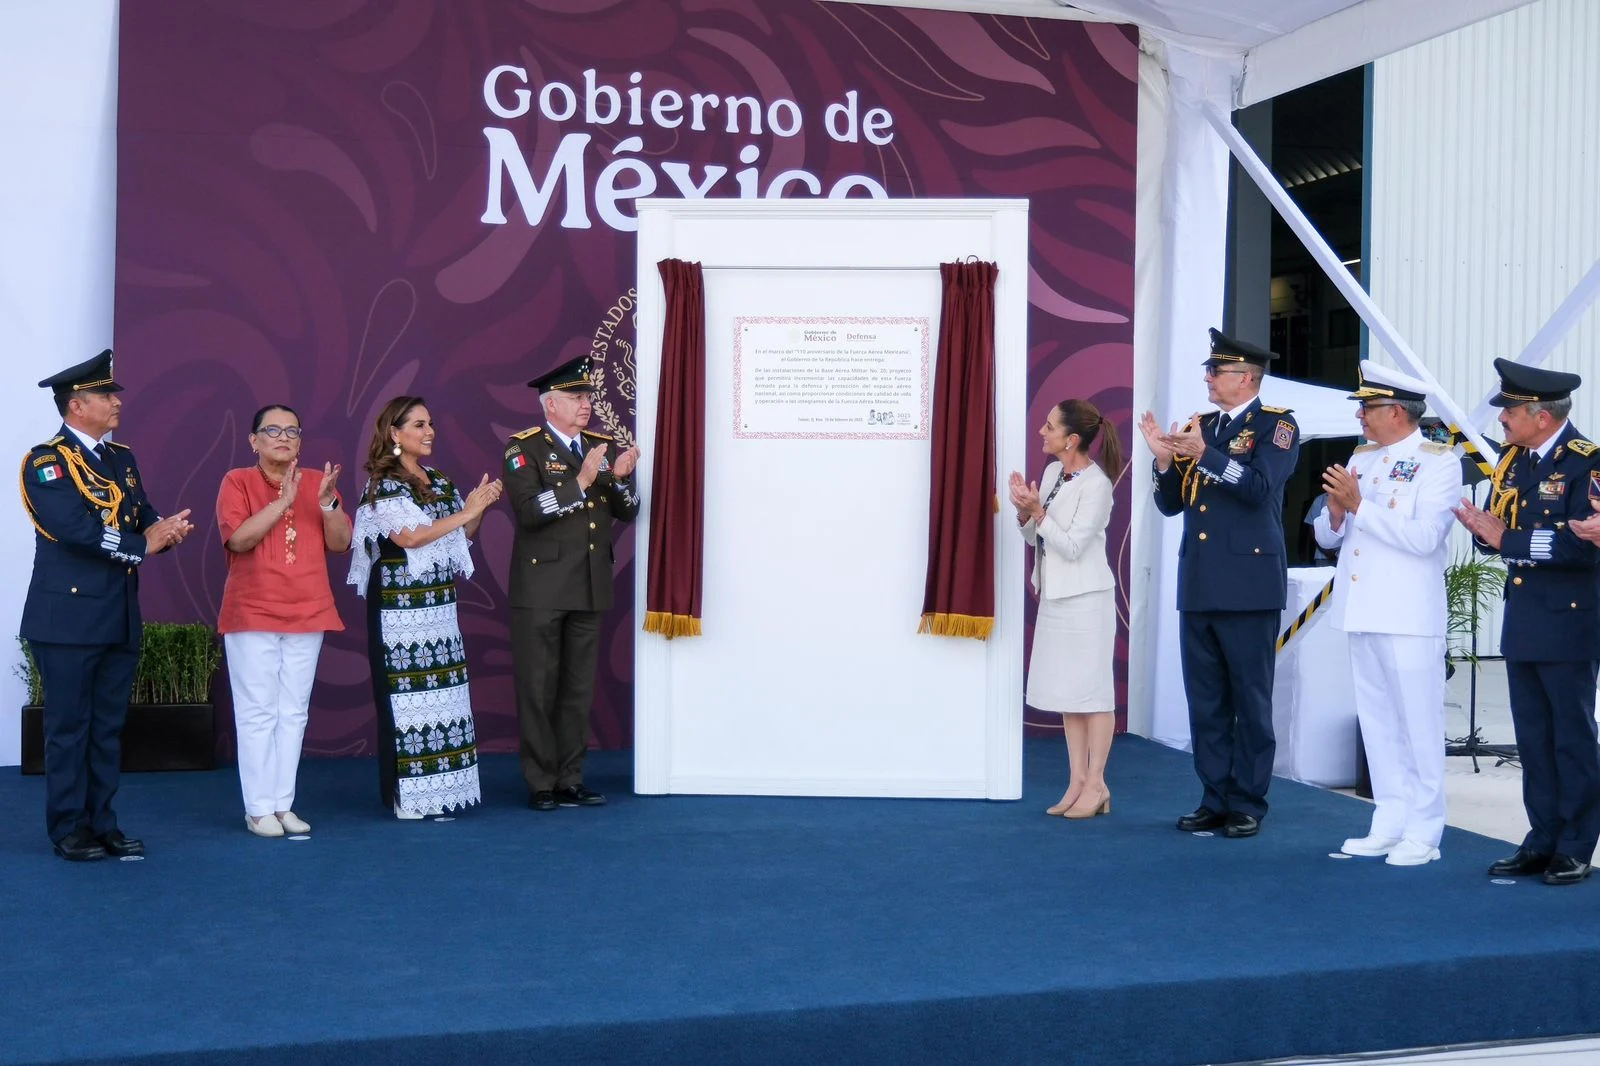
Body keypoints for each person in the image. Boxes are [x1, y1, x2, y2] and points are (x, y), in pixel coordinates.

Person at [19, 349, 194, 861]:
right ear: (76, 406)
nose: (116, 404)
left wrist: (166, 529)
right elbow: (73, 530)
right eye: (104, 396)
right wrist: (144, 545)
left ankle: (103, 822)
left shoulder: (121, 459)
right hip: (67, 619)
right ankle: (68, 828)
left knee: (108, 727)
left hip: (117, 615)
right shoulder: (45, 462)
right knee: (69, 727)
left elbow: (140, 512)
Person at [1138, 328, 1300, 839]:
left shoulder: (1277, 427)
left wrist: (1205, 454)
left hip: (1249, 583)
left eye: (1217, 371)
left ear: (1247, 378)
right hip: (1202, 580)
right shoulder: (1200, 425)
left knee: (1250, 699)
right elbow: (1172, 504)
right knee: (1206, 699)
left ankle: (1248, 800)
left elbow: (1257, 488)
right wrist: (1165, 460)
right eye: (1208, 370)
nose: (1208, 378)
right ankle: (1213, 796)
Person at [1454, 359, 1600, 885]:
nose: (1502, 419)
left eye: (1510, 410)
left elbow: (1581, 547)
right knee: (1533, 739)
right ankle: (1542, 836)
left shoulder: (1588, 464)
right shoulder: (1513, 463)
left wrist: (1505, 540)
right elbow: (1500, 527)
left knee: (1572, 738)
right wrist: (1482, 531)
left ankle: (1576, 844)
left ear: (1541, 415)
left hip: (1569, 623)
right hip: (1525, 620)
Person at [1314, 363, 1461, 866]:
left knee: (1417, 724)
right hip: (1363, 609)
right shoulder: (1364, 457)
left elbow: (1424, 540)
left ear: (1396, 411)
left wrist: (1359, 507)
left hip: (1407, 613)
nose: (1360, 415)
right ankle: (1389, 819)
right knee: (1378, 725)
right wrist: (1335, 516)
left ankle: (1424, 829)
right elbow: (1331, 537)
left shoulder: (1438, 462)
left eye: (1368, 407)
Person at [347, 396, 502, 820]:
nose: (429, 431)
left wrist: (478, 509)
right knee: (405, 700)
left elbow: (459, 536)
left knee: (442, 698)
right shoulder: (382, 484)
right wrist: (465, 513)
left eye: (430, 423)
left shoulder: (440, 480)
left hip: (438, 606)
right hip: (399, 611)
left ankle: (438, 794)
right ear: (394, 434)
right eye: (418, 424)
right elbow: (410, 538)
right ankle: (406, 800)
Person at [503, 355, 640, 812]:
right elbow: (528, 510)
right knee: (539, 687)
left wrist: (618, 480)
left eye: (587, 397)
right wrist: (579, 483)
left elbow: (629, 510)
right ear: (550, 405)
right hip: (541, 587)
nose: (587, 405)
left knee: (578, 688)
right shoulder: (525, 448)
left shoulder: (599, 446)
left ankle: (570, 777)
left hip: (589, 583)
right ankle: (540, 781)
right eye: (576, 398)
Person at [216, 404, 352, 838]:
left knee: (293, 712)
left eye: (292, 431)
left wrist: (328, 503)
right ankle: (258, 809)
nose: (283, 437)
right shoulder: (237, 480)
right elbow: (238, 540)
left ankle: (283, 804)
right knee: (258, 713)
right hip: (252, 611)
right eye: (272, 430)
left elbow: (341, 542)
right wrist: (284, 502)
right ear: (253, 440)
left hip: (308, 609)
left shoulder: (317, 482)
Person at [1009, 399, 1125, 820]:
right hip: (1057, 596)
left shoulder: (1097, 485)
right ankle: (1077, 780)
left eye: (1050, 426)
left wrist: (1039, 512)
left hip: (1087, 599)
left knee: (1093, 694)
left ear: (1072, 439)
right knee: (1070, 695)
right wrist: (1026, 512)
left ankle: (1097, 783)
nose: (1042, 431)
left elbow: (1074, 546)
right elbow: (1038, 538)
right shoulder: (1055, 472)